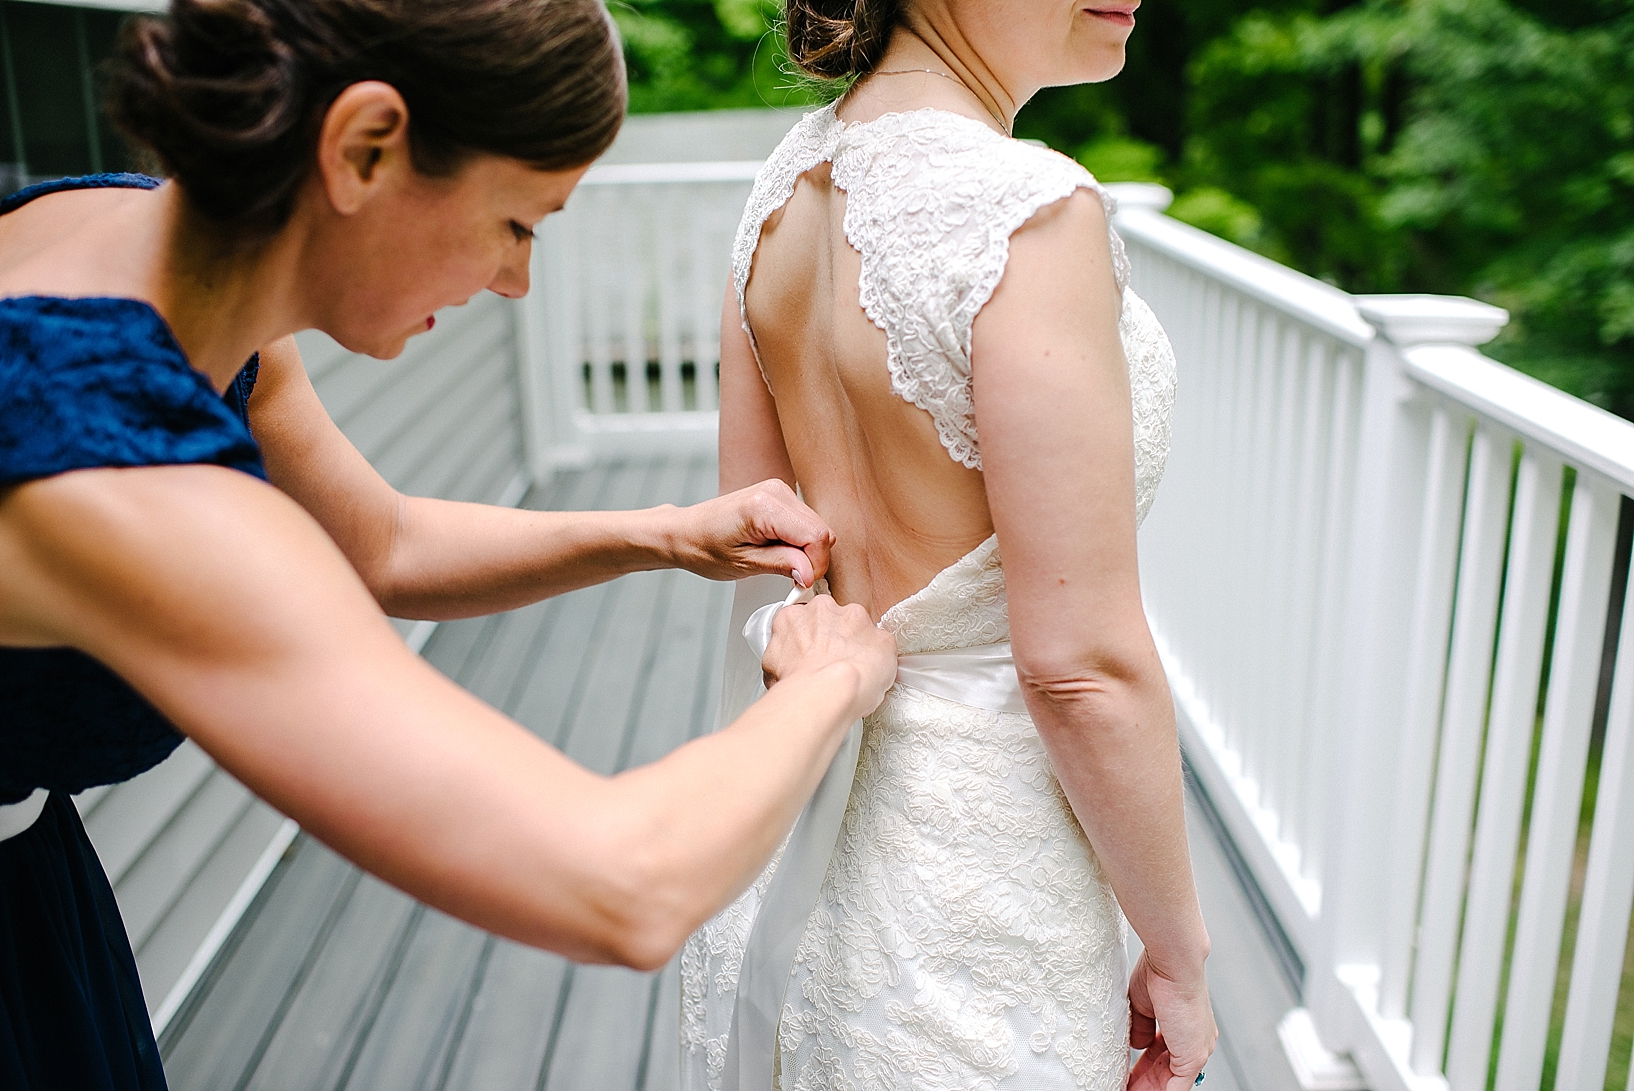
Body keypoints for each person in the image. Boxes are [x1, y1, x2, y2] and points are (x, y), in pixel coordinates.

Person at [0, 1, 900, 1088]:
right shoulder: (103, 464)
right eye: (518, 223)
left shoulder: (140, 248)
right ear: (365, 146)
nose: (517, 281)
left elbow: (377, 542)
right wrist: (827, 679)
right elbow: (622, 881)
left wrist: (659, 532)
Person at [679, 0, 1217, 1086]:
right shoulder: (1029, 213)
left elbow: (763, 536)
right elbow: (1078, 667)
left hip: (803, 819)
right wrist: (1177, 955)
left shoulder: (783, 186)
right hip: (982, 892)